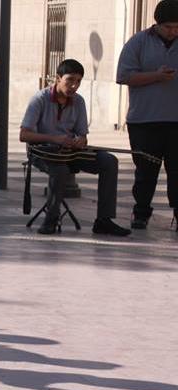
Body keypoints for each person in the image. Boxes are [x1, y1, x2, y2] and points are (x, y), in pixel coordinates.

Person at [19, 59, 131, 236]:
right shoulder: (40, 99)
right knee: (60, 170)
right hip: (44, 153)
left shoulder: (79, 102)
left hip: (71, 152)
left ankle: (104, 220)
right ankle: (51, 219)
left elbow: (82, 135)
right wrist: (55, 139)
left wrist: (80, 141)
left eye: (78, 81)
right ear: (58, 78)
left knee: (109, 161)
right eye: (70, 80)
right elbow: (24, 135)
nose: (74, 85)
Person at [116, 0, 178, 230]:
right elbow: (123, 76)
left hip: (176, 121)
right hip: (145, 121)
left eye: (177, 27)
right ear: (157, 24)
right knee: (145, 172)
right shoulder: (138, 42)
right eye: (169, 27)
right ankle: (141, 212)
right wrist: (156, 76)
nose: (173, 31)